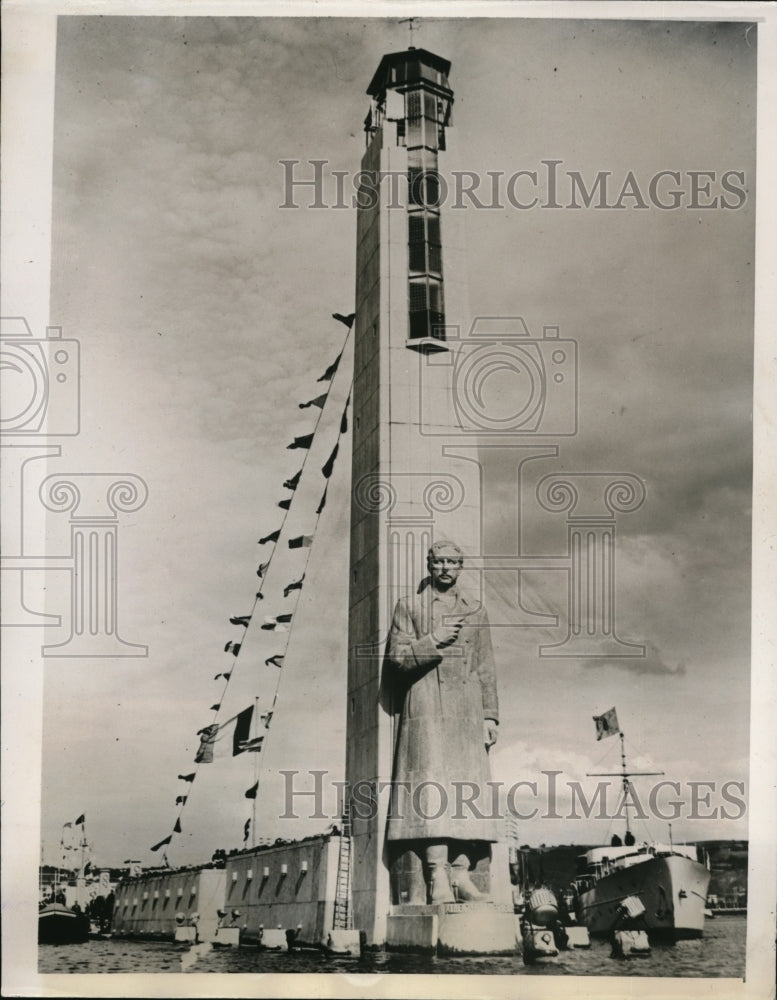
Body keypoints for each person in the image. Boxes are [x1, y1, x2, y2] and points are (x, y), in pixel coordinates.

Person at [386, 539, 501, 904]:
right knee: (433, 793)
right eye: (439, 562)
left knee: (469, 795)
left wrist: (490, 715)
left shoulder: (476, 610)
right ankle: (436, 876)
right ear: (429, 565)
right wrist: (433, 639)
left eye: (453, 562)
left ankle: (461, 874)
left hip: (466, 713)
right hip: (427, 710)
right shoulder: (409, 606)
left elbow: (486, 667)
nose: (446, 568)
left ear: (461, 567)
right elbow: (396, 659)